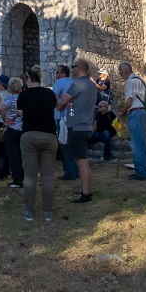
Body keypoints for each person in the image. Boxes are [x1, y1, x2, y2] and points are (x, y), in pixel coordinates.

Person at [17, 69, 59, 221]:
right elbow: (54, 108)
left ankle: (29, 211)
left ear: (29, 80)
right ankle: (48, 212)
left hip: (30, 135)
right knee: (48, 175)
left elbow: (20, 113)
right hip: (49, 135)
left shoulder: (24, 94)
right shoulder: (50, 93)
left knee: (30, 175)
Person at [58, 58, 98, 203]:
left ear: (80, 68)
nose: (72, 69)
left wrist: (57, 99)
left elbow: (61, 103)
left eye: (73, 66)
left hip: (77, 126)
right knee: (81, 160)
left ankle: (86, 193)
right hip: (86, 125)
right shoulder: (92, 84)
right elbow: (79, 101)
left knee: (82, 161)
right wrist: (71, 102)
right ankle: (84, 189)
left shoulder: (77, 83)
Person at [120, 62, 146, 180]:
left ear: (125, 70)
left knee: (137, 144)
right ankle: (141, 169)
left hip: (136, 113)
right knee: (140, 143)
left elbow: (129, 100)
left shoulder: (131, 82)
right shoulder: (139, 80)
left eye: (120, 71)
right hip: (142, 112)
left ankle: (141, 172)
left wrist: (123, 111)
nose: (119, 74)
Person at [51, 64, 77, 180]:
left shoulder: (59, 83)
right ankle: (75, 170)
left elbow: (54, 96)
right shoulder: (73, 83)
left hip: (62, 117)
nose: (56, 74)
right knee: (72, 144)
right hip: (73, 116)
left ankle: (70, 172)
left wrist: (59, 105)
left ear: (63, 73)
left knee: (64, 144)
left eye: (57, 72)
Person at [0, 77, 25, 189]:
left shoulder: (10, 98)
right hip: (23, 129)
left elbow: (2, 108)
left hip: (12, 129)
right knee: (22, 155)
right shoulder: (23, 97)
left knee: (13, 156)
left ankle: (17, 180)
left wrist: (6, 120)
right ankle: (24, 176)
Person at [92, 75, 117, 161]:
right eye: (99, 106)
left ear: (106, 107)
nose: (99, 108)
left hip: (107, 133)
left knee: (106, 133)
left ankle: (106, 157)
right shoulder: (97, 114)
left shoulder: (110, 114)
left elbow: (117, 124)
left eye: (101, 106)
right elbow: (94, 126)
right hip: (98, 133)